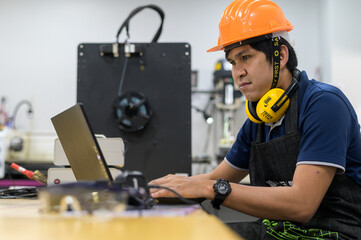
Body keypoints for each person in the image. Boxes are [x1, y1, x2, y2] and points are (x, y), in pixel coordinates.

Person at [149, 0, 361, 239]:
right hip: (280, 232)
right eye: (233, 62)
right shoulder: (258, 121)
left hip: (334, 233)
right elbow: (213, 178)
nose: (238, 72)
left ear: (280, 55)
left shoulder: (324, 104)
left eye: (246, 57)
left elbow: (302, 204)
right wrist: (155, 191)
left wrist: (209, 188)